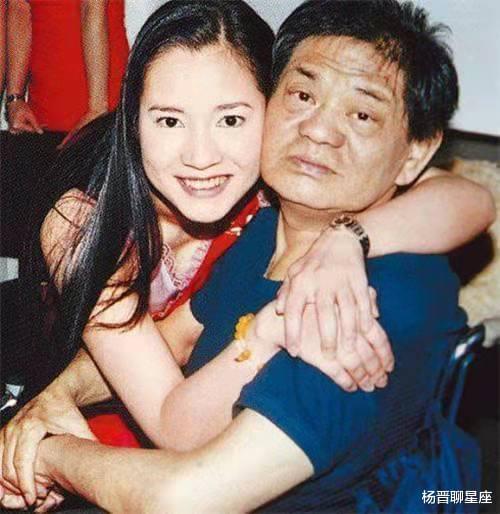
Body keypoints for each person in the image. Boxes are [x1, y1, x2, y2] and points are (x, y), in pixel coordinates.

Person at [0, 0, 494, 511]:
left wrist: (48, 454)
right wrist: (58, 397)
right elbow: (178, 384)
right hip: (128, 443)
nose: (319, 130)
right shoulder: (266, 230)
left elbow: (187, 497)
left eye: (363, 114)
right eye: (303, 96)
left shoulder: (353, 303)